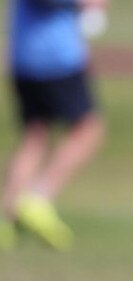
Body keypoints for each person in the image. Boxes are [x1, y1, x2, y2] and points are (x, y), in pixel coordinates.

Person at [0, 0, 108, 251]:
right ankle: (39, 198)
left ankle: (8, 216)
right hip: (55, 57)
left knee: (34, 136)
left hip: (25, 55)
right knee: (88, 130)